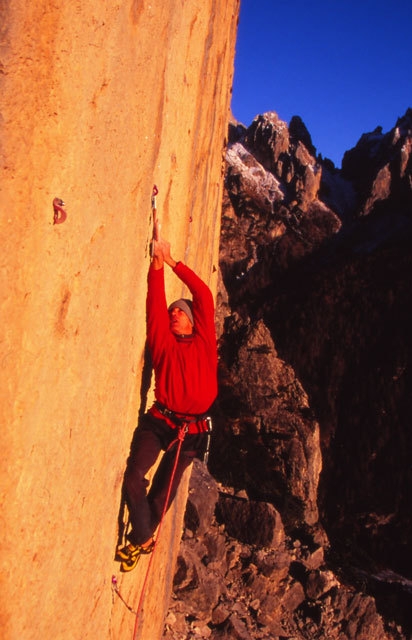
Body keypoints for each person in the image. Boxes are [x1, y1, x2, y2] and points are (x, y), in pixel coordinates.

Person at [116, 220, 218, 571]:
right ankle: (143, 537)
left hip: (190, 432)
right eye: (172, 312)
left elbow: (203, 296)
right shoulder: (163, 344)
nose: (173, 314)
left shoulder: (205, 344)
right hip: (161, 421)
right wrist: (156, 266)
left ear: (193, 321)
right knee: (133, 478)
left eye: (180, 312)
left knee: (162, 494)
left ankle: (136, 540)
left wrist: (173, 261)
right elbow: (153, 306)